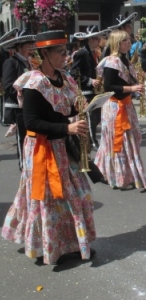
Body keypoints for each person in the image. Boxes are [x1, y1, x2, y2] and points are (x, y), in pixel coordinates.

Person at [1, 30, 96, 265]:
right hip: (42, 149)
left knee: (76, 197)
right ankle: (52, 249)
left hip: (63, 147)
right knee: (49, 202)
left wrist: (82, 107)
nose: (66, 56)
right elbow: (32, 121)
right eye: (61, 52)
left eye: (66, 51)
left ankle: (73, 244)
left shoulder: (64, 78)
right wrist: (68, 129)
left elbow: (65, 110)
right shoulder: (34, 82)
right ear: (45, 53)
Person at [94, 30, 146, 192]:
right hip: (115, 107)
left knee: (130, 140)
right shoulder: (112, 61)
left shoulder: (124, 59)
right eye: (125, 41)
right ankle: (120, 179)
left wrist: (136, 84)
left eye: (129, 40)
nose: (129, 43)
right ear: (117, 43)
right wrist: (132, 87)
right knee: (120, 142)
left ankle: (111, 173)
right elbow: (109, 87)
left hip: (126, 104)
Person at [1, 29, 36, 170]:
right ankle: (24, 166)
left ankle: (31, 163)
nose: (32, 48)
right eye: (29, 45)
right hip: (19, 108)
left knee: (32, 137)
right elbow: (9, 87)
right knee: (23, 138)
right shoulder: (11, 62)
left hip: (30, 107)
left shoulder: (30, 63)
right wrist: (25, 92)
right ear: (19, 47)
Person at [71, 26, 111, 150]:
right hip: (85, 90)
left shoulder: (95, 53)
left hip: (95, 90)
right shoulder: (81, 53)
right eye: (95, 39)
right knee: (90, 117)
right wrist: (89, 80)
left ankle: (91, 139)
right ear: (88, 40)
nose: (98, 41)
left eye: (98, 38)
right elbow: (73, 73)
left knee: (97, 117)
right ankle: (93, 142)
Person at [0, 28, 18, 126]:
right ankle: (3, 118)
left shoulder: (8, 52)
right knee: (3, 98)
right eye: (10, 38)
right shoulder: (1, 51)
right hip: (3, 76)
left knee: (5, 97)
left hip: (7, 75)